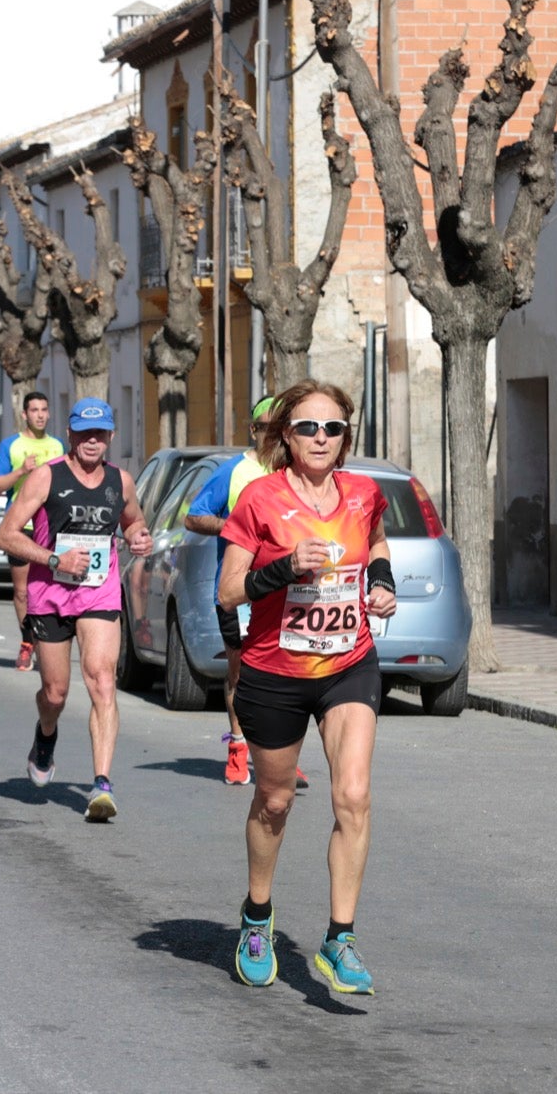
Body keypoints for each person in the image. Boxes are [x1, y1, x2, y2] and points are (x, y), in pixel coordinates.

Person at [215, 380, 396, 994]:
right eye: (307, 428)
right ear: (285, 437)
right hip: (274, 671)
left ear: (346, 437)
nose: (321, 438)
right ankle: (257, 918)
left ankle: (339, 939)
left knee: (354, 796)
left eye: (333, 428)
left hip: (350, 662)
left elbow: (374, 541)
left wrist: (383, 582)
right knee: (275, 802)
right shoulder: (260, 500)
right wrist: (284, 568)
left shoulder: (365, 493)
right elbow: (228, 590)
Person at [0, 396, 152, 821]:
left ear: (111, 436)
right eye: (84, 432)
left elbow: (134, 521)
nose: (91, 441)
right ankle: (45, 735)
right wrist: (52, 560)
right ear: (71, 434)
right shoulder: (46, 478)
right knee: (55, 692)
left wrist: (139, 536)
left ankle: (102, 784)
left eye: (99, 433)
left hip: (99, 594)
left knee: (102, 681)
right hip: (50, 594)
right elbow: (6, 535)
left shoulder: (121, 481)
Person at [185, 395, 305, 789]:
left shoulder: (296, 473)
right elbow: (194, 515)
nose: (274, 435)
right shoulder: (234, 472)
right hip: (237, 589)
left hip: (286, 589)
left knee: (289, 672)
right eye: (266, 427)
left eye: (280, 427)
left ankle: (281, 757)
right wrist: (236, 529)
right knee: (241, 669)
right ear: (254, 431)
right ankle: (238, 747)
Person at [0, 391, 66, 670]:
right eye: (34, 410)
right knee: (23, 592)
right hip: (23, 527)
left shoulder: (58, 446)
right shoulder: (12, 445)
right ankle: (26, 642)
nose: (40, 415)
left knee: (53, 587)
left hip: (54, 528)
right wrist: (22, 471)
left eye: (44, 409)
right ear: (25, 414)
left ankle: (51, 644)